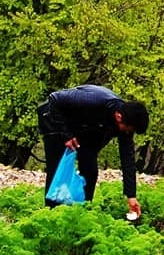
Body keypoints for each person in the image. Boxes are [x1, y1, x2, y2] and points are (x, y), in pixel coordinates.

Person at [37, 85, 149, 216]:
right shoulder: (93, 100)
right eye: (128, 129)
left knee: (90, 171)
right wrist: (66, 135)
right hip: (55, 120)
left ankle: (82, 211)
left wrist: (131, 196)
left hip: (85, 130)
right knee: (58, 169)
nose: (128, 133)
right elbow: (54, 99)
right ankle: (51, 213)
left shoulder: (126, 123)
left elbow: (128, 159)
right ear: (119, 117)